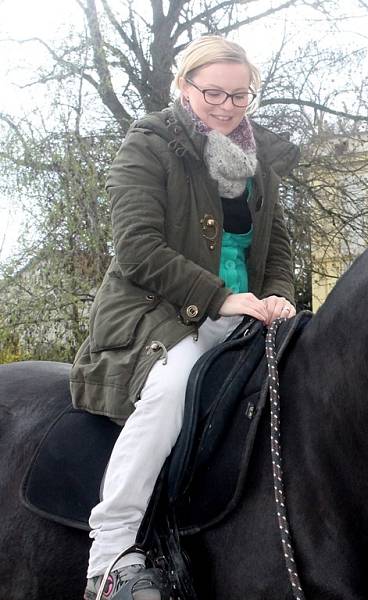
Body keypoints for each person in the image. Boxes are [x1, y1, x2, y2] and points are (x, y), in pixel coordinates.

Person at [70, 35, 298, 600]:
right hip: (156, 316)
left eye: (239, 96)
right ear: (183, 87)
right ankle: (112, 553)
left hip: (244, 318)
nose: (226, 106)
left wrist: (276, 297)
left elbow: (278, 254)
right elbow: (136, 249)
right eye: (212, 92)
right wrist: (222, 297)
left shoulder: (257, 164)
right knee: (176, 385)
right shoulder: (147, 147)